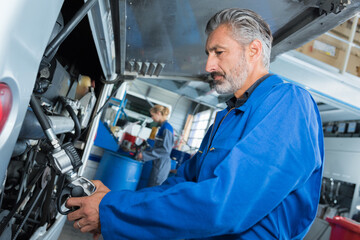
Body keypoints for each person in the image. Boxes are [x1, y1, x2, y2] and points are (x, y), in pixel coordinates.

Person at [67, 8, 324, 240]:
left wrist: (113, 213)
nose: (209, 65)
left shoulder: (288, 103)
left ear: (254, 50)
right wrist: (116, 206)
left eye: (219, 52)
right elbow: (182, 185)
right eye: (208, 54)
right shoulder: (225, 118)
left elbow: (226, 205)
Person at [137, 104, 174, 187]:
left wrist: (144, 155)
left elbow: (165, 150)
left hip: (162, 164)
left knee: (154, 187)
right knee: (151, 186)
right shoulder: (162, 127)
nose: (152, 118)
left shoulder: (167, 128)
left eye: (152, 115)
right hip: (158, 163)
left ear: (158, 113)